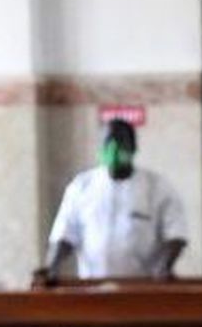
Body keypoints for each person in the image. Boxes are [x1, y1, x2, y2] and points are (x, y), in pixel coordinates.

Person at [40, 118, 187, 282]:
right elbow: (64, 234)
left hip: (143, 286)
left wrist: (165, 266)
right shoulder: (81, 186)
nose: (114, 148)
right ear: (101, 147)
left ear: (133, 147)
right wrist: (51, 266)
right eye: (108, 143)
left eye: (121, 142)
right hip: (92, 286)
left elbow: (176, 234)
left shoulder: (157, 187)